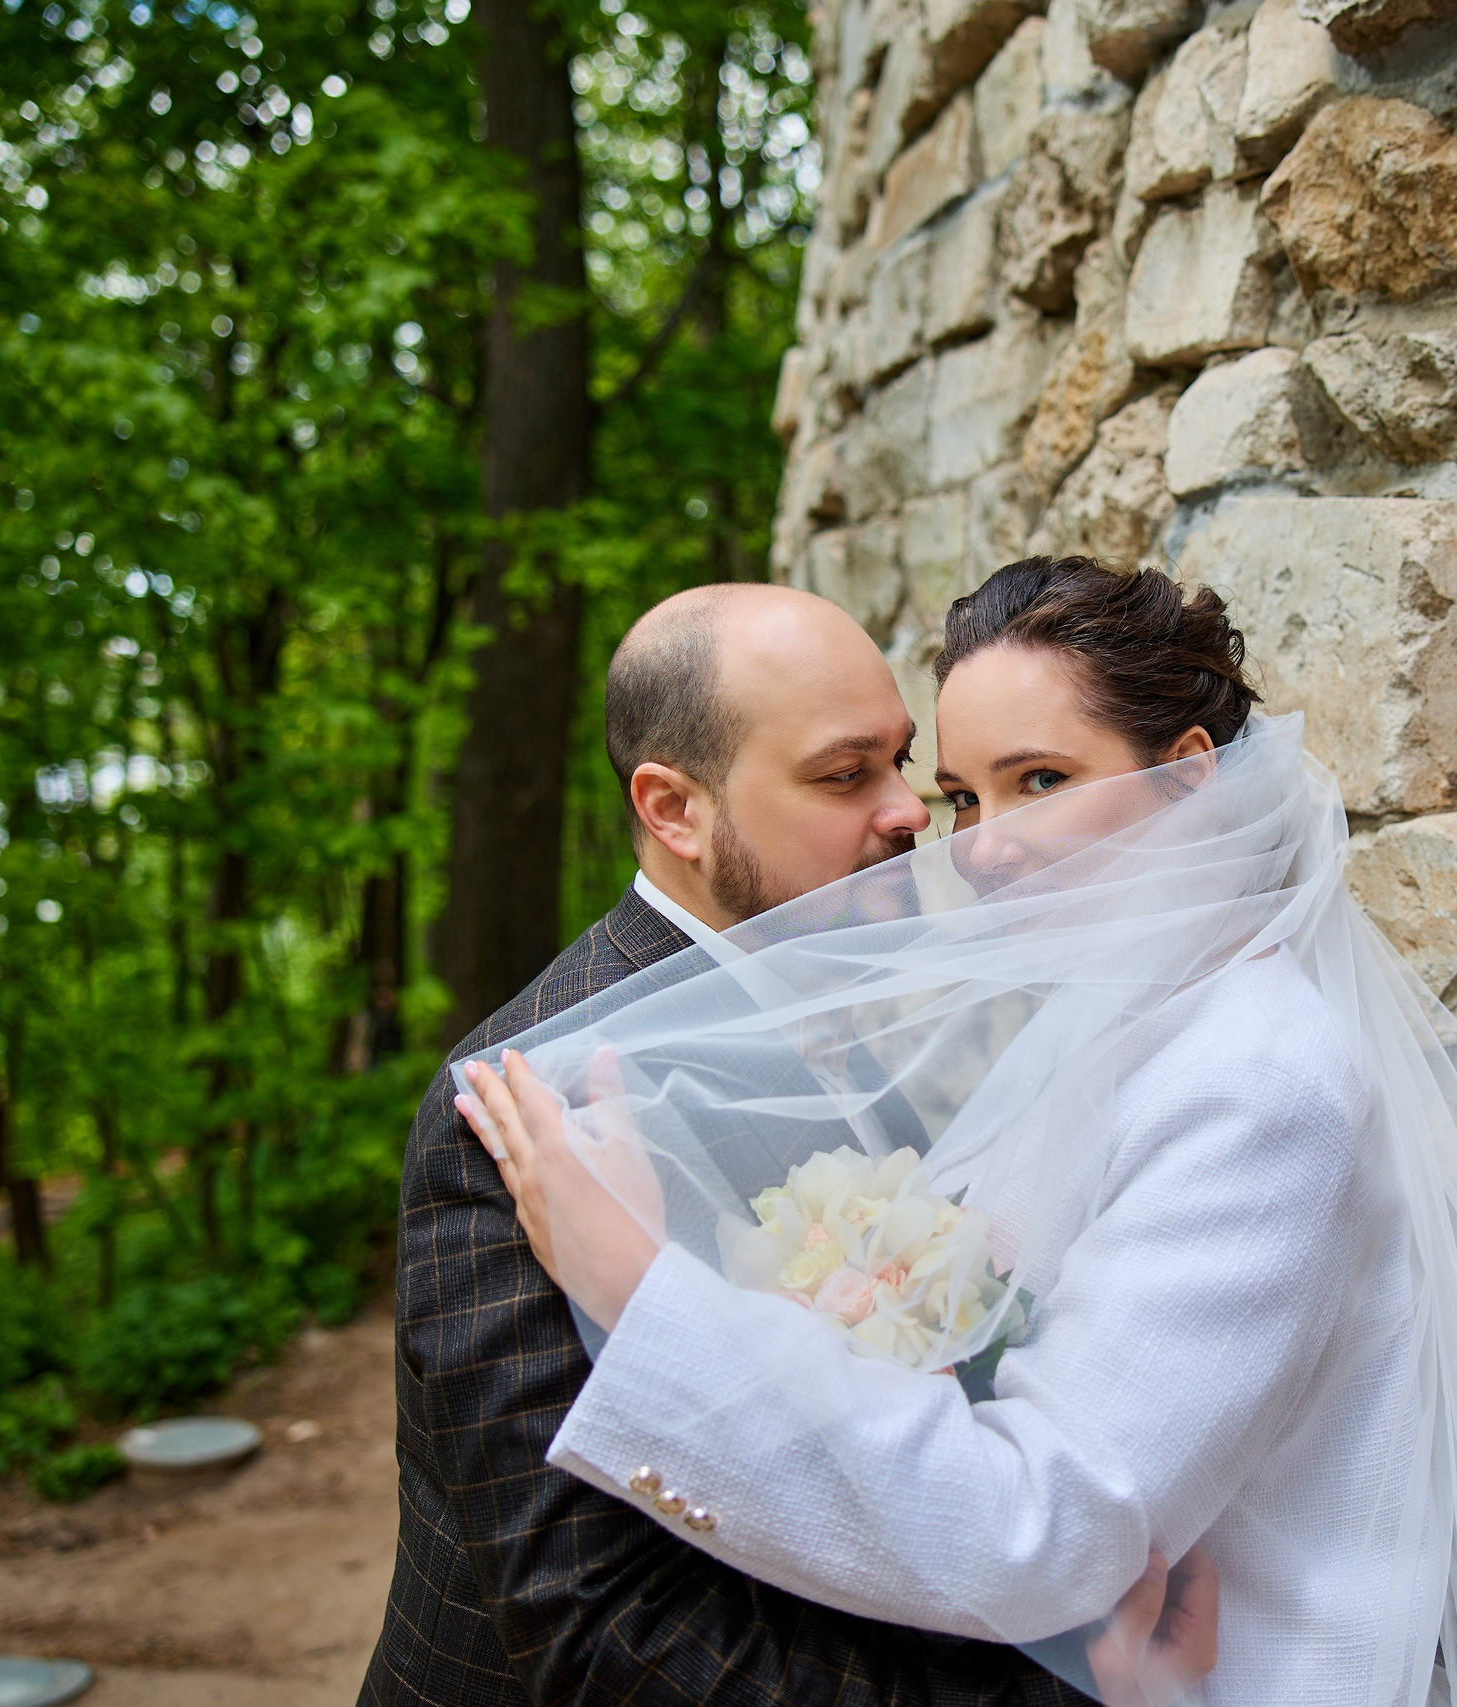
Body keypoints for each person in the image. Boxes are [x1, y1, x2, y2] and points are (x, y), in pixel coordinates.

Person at [454, 560, 1457, 1707]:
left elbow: (1047, 1521)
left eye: (1042, 782)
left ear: (1186, 777)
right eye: (965, 795)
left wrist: (643, 1292)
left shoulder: (1259, 1077)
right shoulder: (1098, 1031)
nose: (981, 846)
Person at [362, 582, 1215, 1707]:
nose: (912, 812)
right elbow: (595, 1631)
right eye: (843, 774)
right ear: (675, 810)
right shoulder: (529, 1105)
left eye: (904, 763)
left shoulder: (842, 1022)